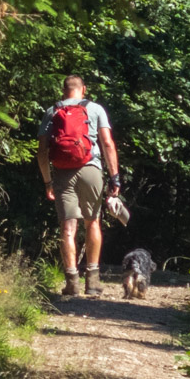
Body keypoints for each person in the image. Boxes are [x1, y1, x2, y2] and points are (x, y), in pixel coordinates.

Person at [36, 74, 120, 297]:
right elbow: (108, 144)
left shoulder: (51, 111)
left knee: (68, 228)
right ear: (83, 89)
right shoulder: (95, 109)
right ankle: (92, 282)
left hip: (63, 173)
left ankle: (71, 282)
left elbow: (42, 152)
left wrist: (48, 182)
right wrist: (115, 177)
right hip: (91, 170)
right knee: (92, 223)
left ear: (64, 91)